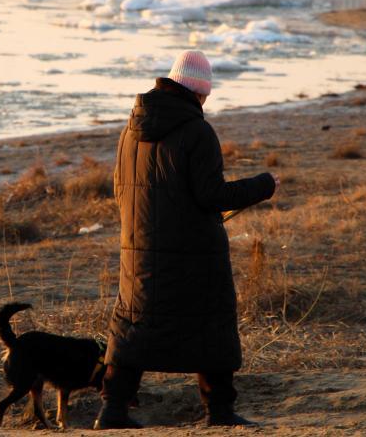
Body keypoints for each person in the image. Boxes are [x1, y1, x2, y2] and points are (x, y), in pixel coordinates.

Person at [95, 50, 278, 429]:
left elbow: (119, 188)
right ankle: (220, 412)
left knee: (134, 327)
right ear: (199, 92)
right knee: (211, 327)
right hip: (195, 254)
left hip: (138, 250)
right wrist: (263, 186)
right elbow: (212, 196)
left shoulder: (131, 128)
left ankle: (112, 411)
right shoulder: (198, 131)